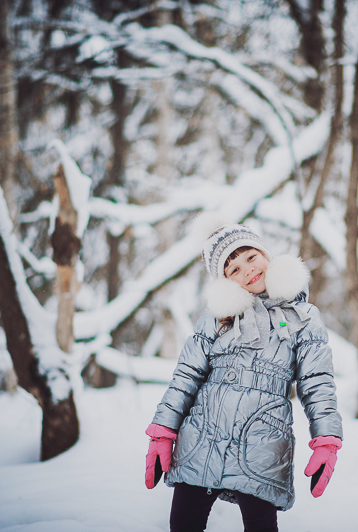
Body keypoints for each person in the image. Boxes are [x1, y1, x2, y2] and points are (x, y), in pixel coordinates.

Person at [144, 216, 344, 532]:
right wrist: (163, 431)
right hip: (200, 441)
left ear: (266, 256)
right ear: (225, 282)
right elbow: (186, 376)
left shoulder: (302, 318)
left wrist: (326, 438)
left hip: (262, 445)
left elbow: (316, 380)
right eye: (234, 269)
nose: (247, 269)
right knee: (183, 524)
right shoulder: (217, 319)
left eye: (251, 257)